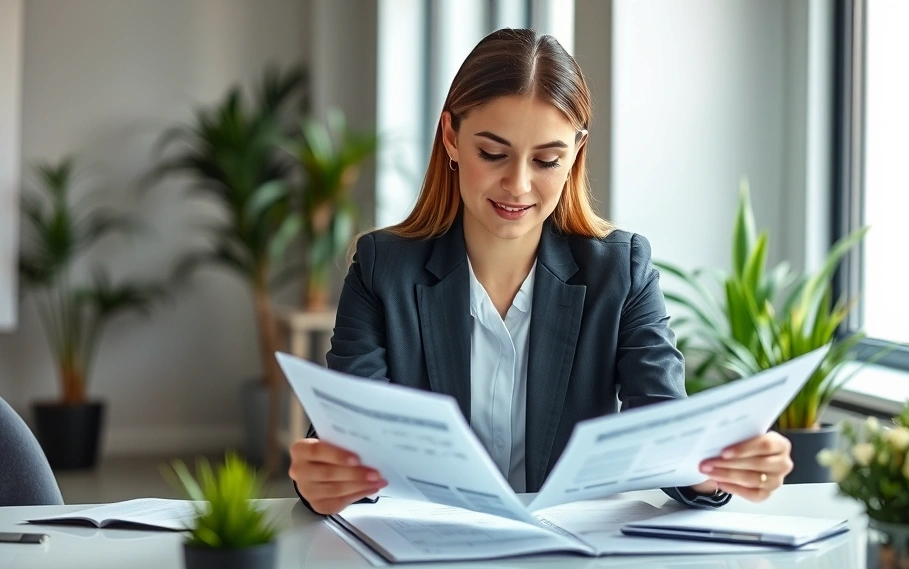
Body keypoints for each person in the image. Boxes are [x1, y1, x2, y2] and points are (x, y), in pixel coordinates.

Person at [290, 28, 793, 516]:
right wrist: (326, 478)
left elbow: (663, 430)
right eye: (493, 154)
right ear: (451, 136)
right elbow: (347, 435)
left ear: (575, 152)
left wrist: (717, 467)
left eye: (548, 160)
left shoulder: (621, 270)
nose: (518, 184)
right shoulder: (383, 269)